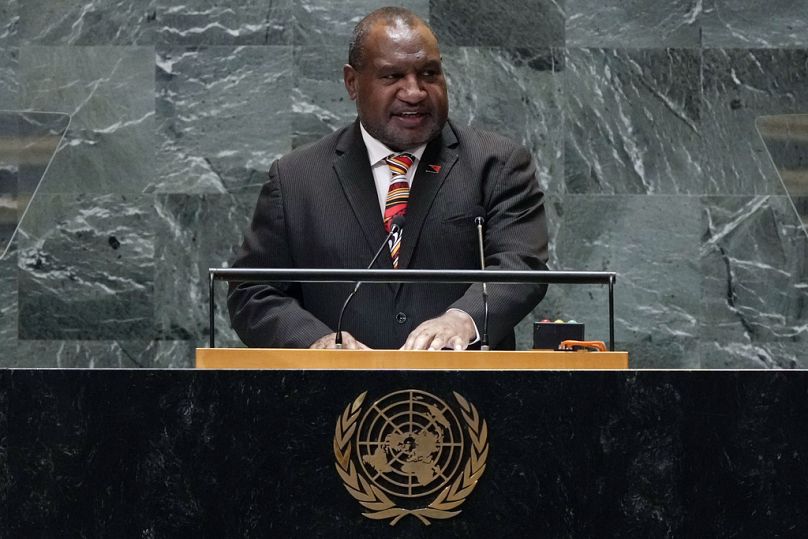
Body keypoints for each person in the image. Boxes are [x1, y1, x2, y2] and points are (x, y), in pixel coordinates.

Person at [228, 7, 548, 350]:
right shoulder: (295, 178)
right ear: (352, 82)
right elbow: (253, 291)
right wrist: (317, 342)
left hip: (467, 394)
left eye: (429, 73)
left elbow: (521, 265)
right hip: (333, 396)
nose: (414, 92)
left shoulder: (497, 164)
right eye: (392, 76)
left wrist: (462, 319)